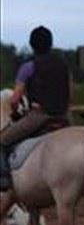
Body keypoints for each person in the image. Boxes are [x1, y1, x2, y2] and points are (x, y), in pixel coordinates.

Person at [0, 26, 70, 191]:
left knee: (2, 142)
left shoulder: (28, 67)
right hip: (64, 116)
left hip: (39, 116)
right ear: (50, 44)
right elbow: (69, 92)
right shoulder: (63, 65)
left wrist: (16, 110)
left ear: (32, 45)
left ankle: (3, 180)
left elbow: (15, 98)